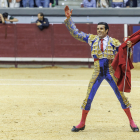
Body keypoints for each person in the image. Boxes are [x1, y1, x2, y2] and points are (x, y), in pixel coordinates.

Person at [64, 5, 139, 132]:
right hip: (97, 71)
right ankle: (82, 123)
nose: (98, 30)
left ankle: (132, 121)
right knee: (88, 96)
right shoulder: (91, 39)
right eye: (98, 28)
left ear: (106, 30)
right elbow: (76, 33)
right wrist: (69, 19)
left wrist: (129, 47)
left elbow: (124, 54)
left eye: (101, 29)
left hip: (110, 71)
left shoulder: (114, 42)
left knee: (120, 95)